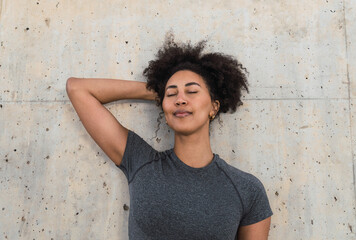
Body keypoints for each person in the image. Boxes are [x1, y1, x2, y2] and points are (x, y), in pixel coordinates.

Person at [66, 34, 273, 240]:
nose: (180, 99)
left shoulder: (247, 189)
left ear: (214, 107)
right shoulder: (141, 162)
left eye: (192, 91)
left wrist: (170, 93)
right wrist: (157, 91)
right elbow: (78, 89)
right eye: (171, 94)